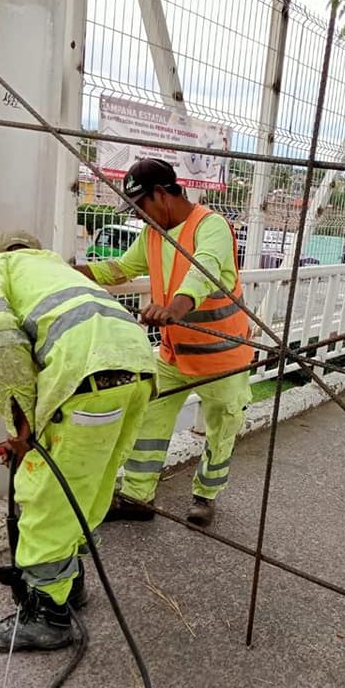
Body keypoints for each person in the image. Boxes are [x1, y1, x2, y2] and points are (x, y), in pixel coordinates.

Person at [0, 231, 156, 651]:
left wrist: (19, 427)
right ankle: (68, 584)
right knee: (86, 487)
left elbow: (0, 341)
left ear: (0, 253)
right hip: (137, 368)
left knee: (46, 497)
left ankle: (48, 618)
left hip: (85, 375)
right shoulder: (55, 269)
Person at [77, 158, 253, 527]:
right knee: (149, 418)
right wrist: (65, 270)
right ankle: (138, 496)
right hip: (173, 355)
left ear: (161, 193)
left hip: (223, 358)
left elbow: (201, 272)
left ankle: (205, 496)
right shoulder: (153, 234)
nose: (139, 216)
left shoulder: (211, 226)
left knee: (223, 427)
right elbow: (121, 269)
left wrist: (174, 308)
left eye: (141, 206)